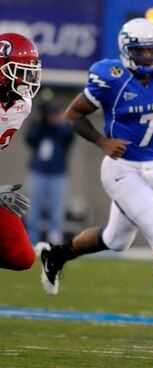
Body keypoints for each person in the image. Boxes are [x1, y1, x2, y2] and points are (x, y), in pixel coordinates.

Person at [34, 18, 153, 343]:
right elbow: (73, 115)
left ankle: (55, 255)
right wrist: (102, 142)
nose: (147, 56)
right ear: (126, 50)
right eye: (140, 50)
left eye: (152, 50)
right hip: (121, 169)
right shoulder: (110, 77)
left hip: (151, 169)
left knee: (117, 240)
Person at [0, 32, 42, 271]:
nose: (28, 79)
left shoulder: (21, 105)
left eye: (31, 71)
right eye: (21, 71)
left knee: (21, 257)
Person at [25, 100, 74, 245]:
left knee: (57, 211)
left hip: (57, 174)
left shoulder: (62, 129)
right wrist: (39, 122)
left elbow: (68, 137)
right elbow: (30, 139)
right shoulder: (40, 127)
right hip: (38, 172)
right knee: (33, 210)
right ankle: (30, 241)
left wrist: (58, 122)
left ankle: (55, 242)